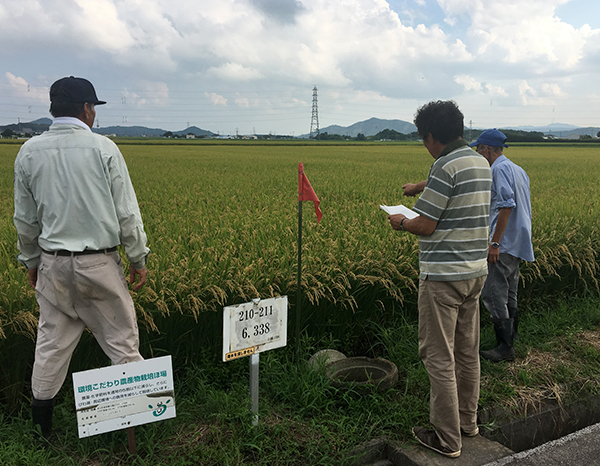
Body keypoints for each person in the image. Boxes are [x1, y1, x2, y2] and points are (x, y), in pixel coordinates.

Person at [13, 76, 150, 439]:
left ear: (53, 110)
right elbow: (127, 213)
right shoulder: (103, 148)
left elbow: (25, 219)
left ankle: (42, 432)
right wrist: (138, 257)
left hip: (52, 264)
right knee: (121, 342)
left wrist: (30, 261)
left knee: (51, 345)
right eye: (94, 109)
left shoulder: (28, 151)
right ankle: (133, 432)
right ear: (87, 110)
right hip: (98, 264)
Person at [388, 100, 492, 458]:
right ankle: (468, 423)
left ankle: (447, 440)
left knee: (438, 357)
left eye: (423, 138)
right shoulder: (480, 161)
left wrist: (401, 221)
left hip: (444, 277)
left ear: (431, 135)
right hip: (475, 272)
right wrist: (422, 186)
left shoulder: (443, 165)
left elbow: (426, 225)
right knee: (467, 352)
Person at [469, 129, 534, 362]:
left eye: (479, 149)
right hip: (518, 239)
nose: (477, 153)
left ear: (487, 149)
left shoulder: (498, 169)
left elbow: (506, 206)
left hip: (503, 241)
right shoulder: (518, 169)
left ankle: (504, 348)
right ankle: (512, 337)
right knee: (510, 289)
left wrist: (494, 242)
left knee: (493, 291)